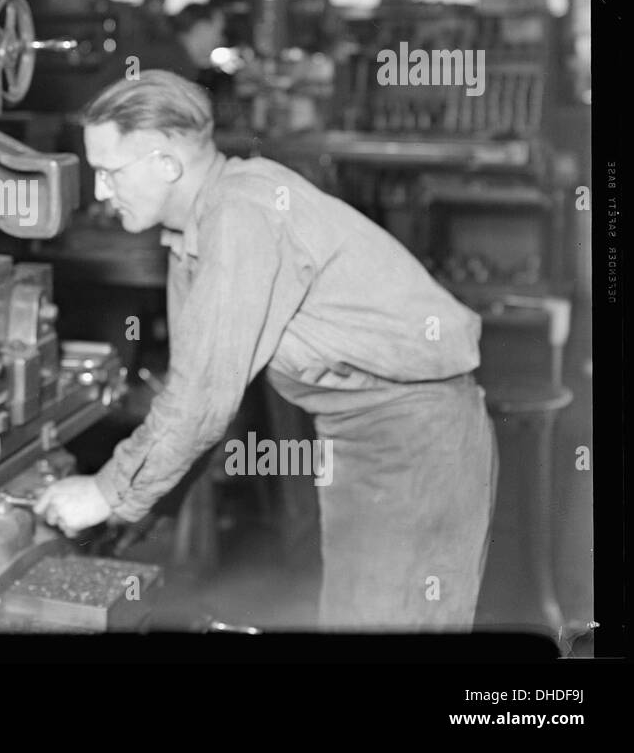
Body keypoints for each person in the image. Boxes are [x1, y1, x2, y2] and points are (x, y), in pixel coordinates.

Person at [36, 70, 498, 631]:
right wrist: (145, 506)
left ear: (166, 163)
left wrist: (107, 492)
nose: (101, 192)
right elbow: (200, 391)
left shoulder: (240, 213)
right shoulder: (191, 237)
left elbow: (200, 400)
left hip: (414, 436)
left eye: (109, 172)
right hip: (362, 438)